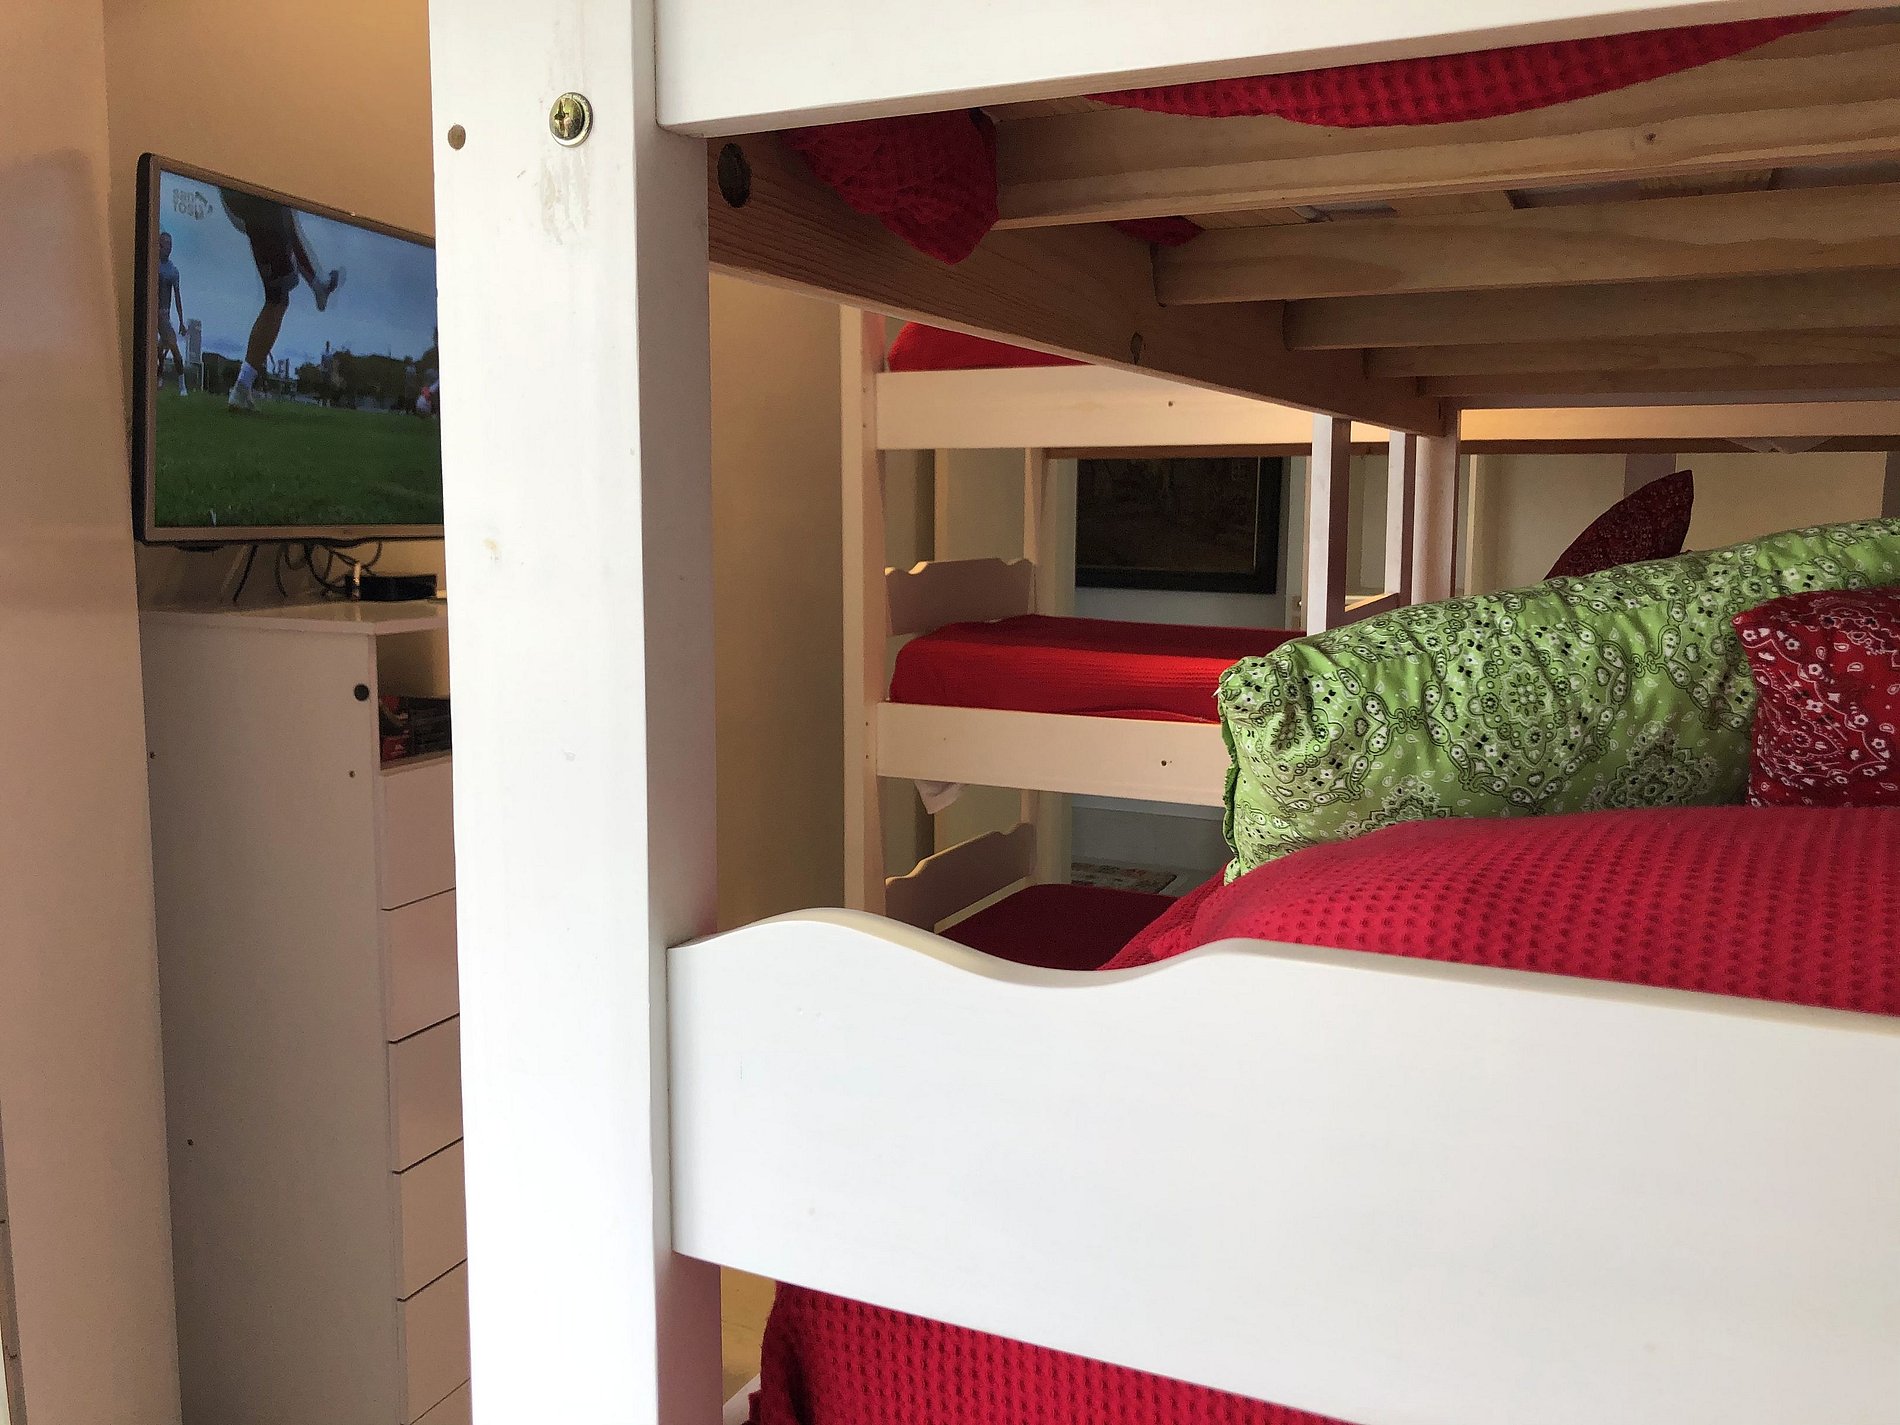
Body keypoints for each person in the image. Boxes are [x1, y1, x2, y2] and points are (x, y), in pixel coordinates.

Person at [219, 187, 345, 411]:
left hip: (243, 203)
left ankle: (318, 283)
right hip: (256, 203)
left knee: (277, 297)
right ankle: (240, 389)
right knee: (277, 300)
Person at [155, 231, 188, 396]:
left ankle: (181, 385)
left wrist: (181, 321)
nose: (167, 248)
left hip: (163, 314)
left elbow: (177, 297)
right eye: (164, 244)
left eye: (169, 244)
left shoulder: (173, 271)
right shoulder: (152, 264)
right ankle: (159, 378)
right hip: (151, 312)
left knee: (171, 347)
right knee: (159, 349)